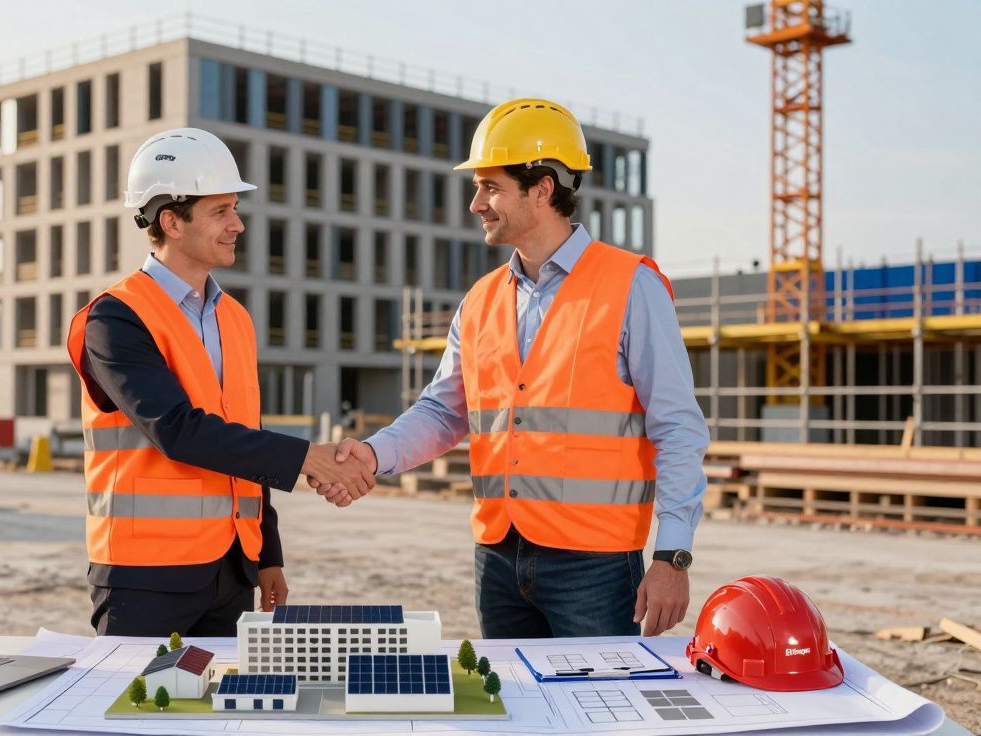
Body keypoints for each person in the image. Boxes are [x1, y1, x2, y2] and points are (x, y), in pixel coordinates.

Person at [321, 99, 710, 639]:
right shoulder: (480, 299)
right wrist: (371, 454)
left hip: (593, 566)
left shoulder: (631, 285)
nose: (477, 203)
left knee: (599, 718)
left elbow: (678, 426)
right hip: (498, 559)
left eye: (490, 186)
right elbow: (442, 412)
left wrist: (673, 555)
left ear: (543, 188)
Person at [66, 127, 375, 637]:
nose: (237, 225)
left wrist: (267, 555)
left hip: (231, 570)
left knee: (217, 715)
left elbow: (243, 435)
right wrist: (306, 459)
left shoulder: (233, 318)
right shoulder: (114, 318)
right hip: (145, 578)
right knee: (138, 714)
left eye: (235, 208)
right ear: (171, 221)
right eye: (220, 211)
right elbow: (177, 430)